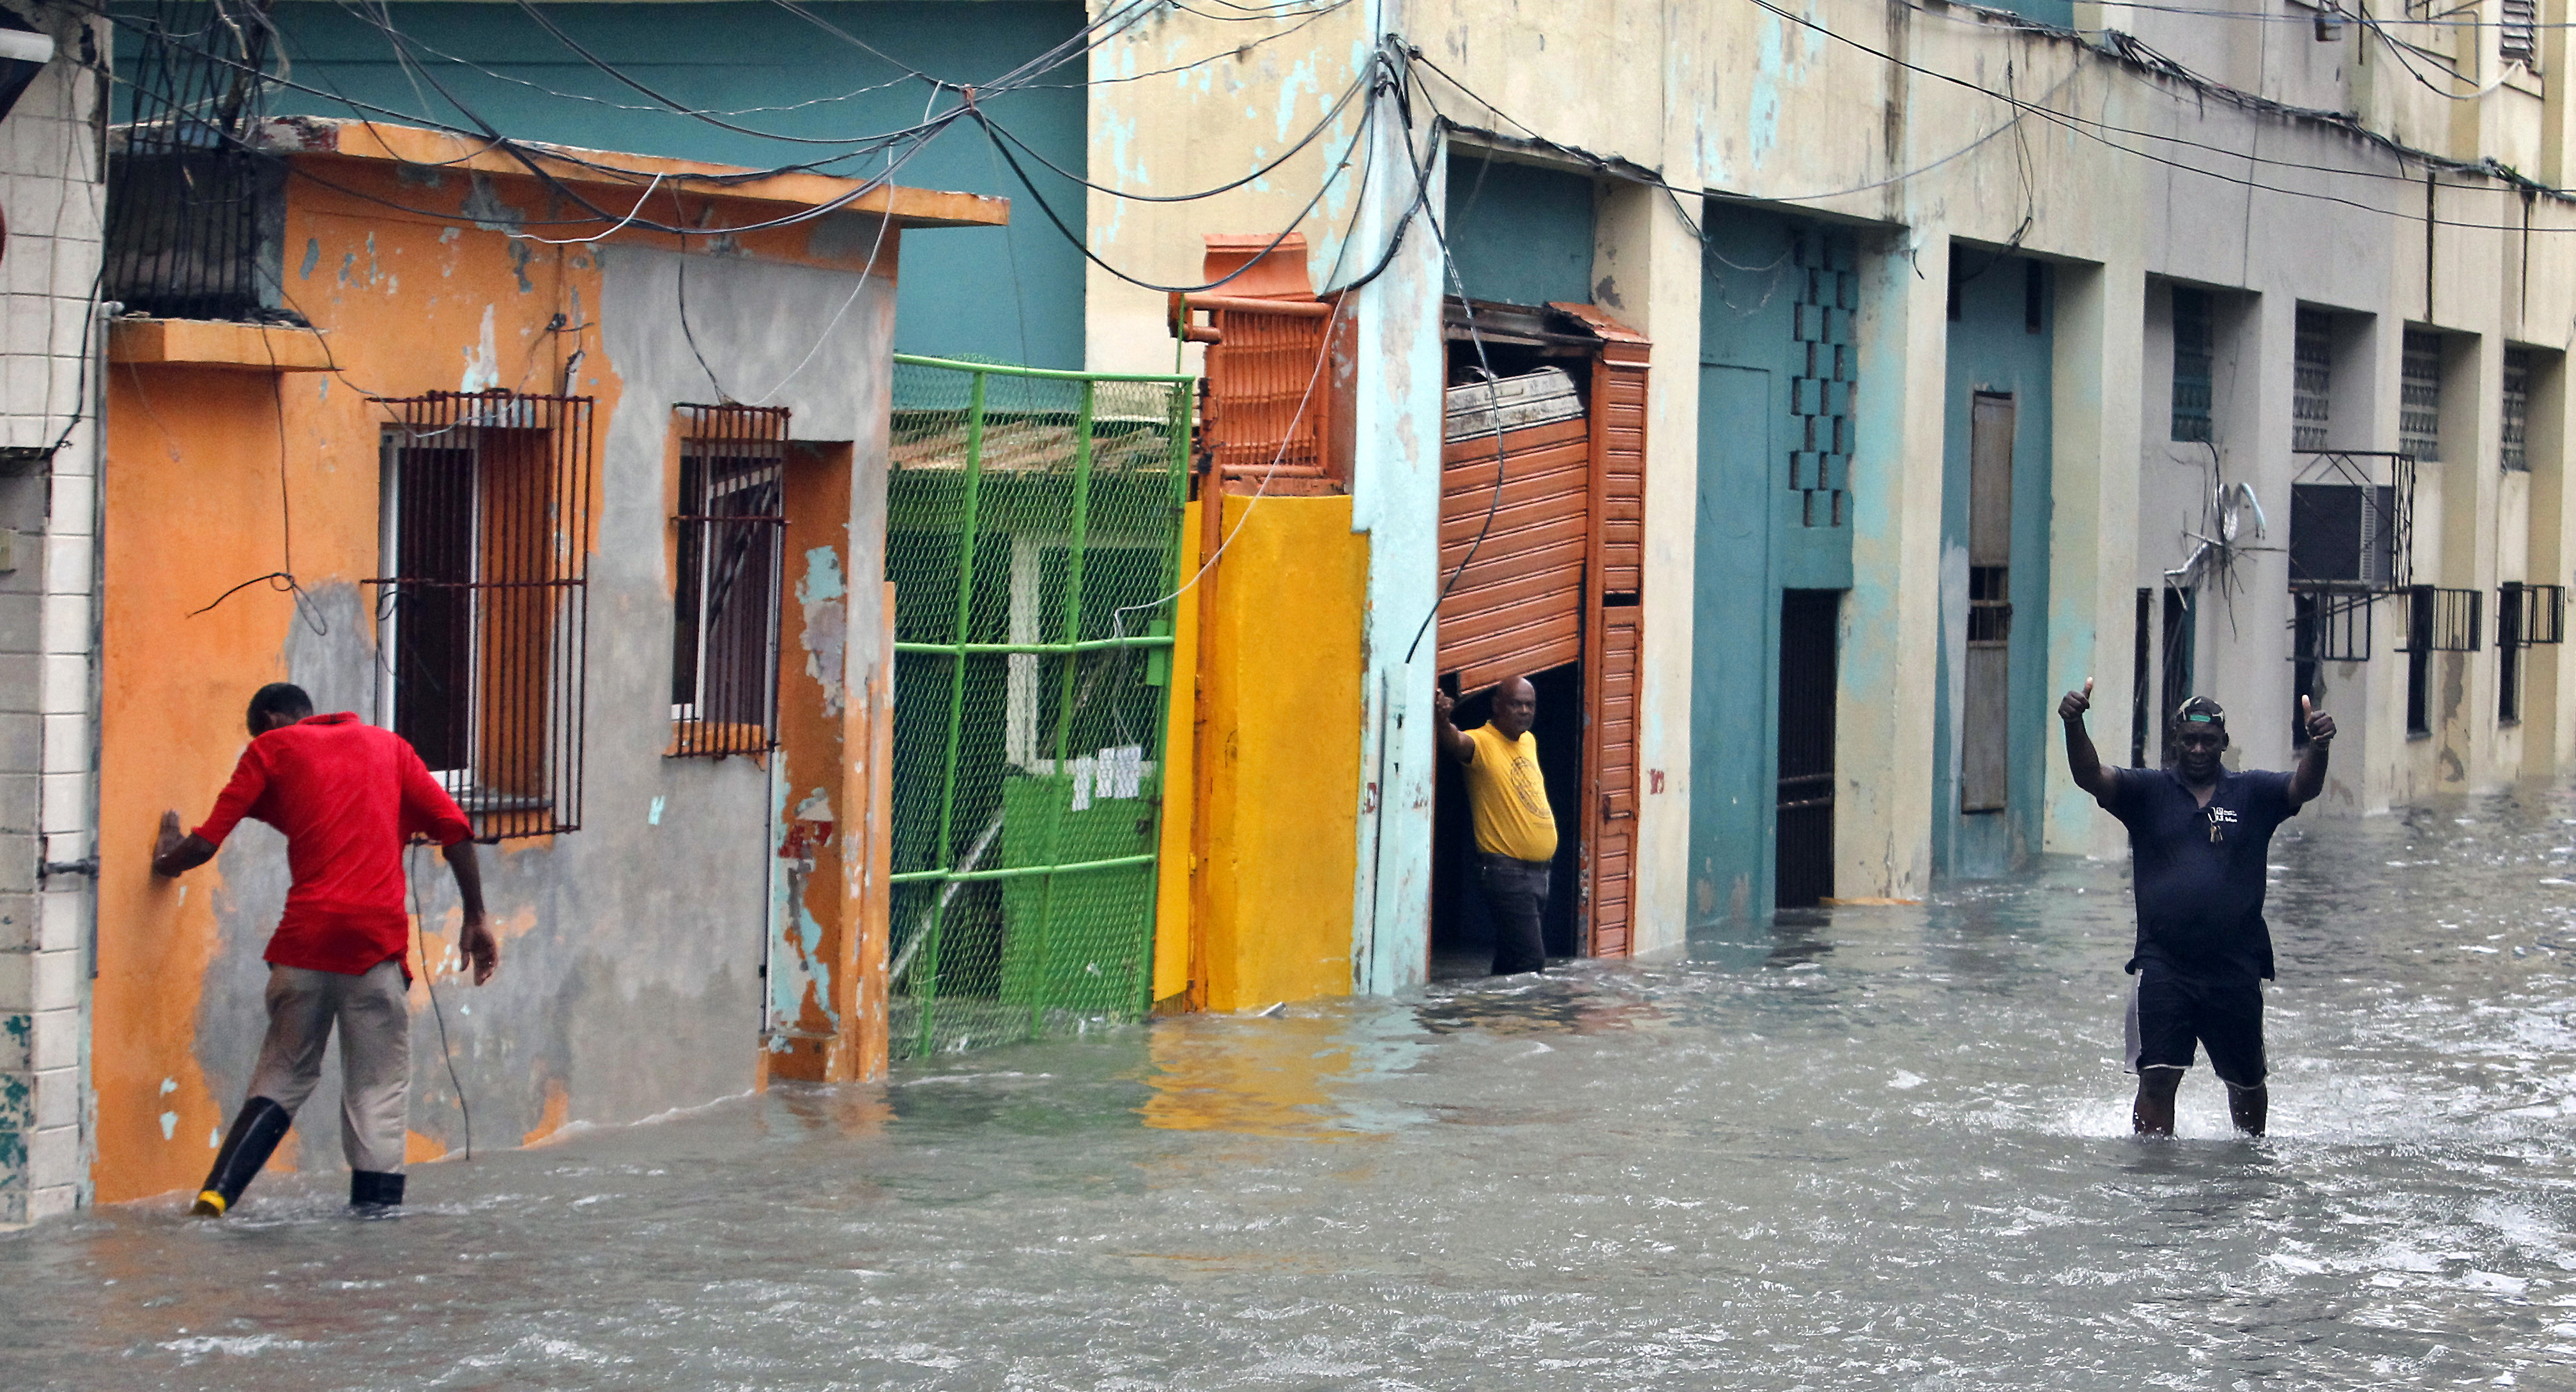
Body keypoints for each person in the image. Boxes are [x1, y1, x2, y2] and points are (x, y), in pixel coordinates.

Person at [151, 683, 497, 1215]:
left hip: (303, 946)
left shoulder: (272, 749)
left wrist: (165, 859)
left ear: (270, 719)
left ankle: (216, 1196)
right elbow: (455, 830)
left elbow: (204, 844)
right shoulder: (392, 749)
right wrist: (475, 916)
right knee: (376, 1089)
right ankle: (374, 1221)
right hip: (375, 949)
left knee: (283, 1074)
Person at [2059, 681, 2333, 1137]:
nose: (2200, 749)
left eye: (2209, 740)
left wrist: (2318, 745)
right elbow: (2091, 776)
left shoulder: (2253, 793)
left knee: (2247, 1083)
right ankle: (2154, 1178)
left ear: (2224, 743)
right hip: (2163, 964)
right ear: (2176, 742)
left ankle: (2248, 1168)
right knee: (2158, 1076)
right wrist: (2074, 724)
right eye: (2190, 739)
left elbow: (2304, 786)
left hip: (2236, 967)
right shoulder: (2146, 793)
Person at [1432, 676, 1556, 977]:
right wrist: (1441, 719)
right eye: (1516, 704)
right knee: (1531, 959)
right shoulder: (1482, 742)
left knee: (1513, 956)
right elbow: (1454, 741)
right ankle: (1521, 1021)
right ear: (1497, 706)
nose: (1524, 711)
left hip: (1539, 872)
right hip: (1506, 870)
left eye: (1530, 705)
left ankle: (1496, 1016)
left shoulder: (1529, 741)